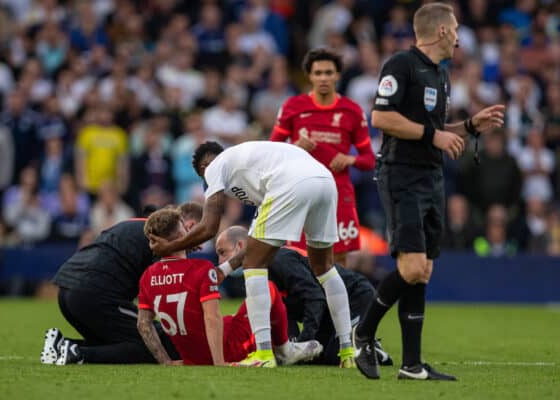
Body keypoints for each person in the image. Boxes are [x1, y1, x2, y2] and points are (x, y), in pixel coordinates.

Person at [354, 3, 505, 381]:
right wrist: (432, 135)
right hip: (401, 174)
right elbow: (382, 118)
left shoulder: (440, 75)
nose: (458, 35)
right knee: (412, 267)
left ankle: (412, 365)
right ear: (440, 31)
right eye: (454, 29)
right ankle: (363, 332)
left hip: (430, 176)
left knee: (423, 271)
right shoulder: (401, 64)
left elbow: (436, 130)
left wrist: (469, 126)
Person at [148, 140, 355, 368]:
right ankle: (347, 351)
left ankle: (264, 354)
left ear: (205, 168)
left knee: (254, 267)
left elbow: (209, 227)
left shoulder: (216, 166)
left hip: (291, 183)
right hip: (325, 181)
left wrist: (168, 248)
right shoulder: (252, 168)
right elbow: (254, 245)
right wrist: (225, 269)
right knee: (325, 269)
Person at [137, 209, 322, 366]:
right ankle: (284, 351)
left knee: (229, 318)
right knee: (268, 287)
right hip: (226, 350)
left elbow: (143, 324)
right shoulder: (201, 269)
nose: (190, 231)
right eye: (185, 229)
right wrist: (219, 364)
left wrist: (166, 362)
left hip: (192, 358)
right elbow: (212, 318)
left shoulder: (148, 276)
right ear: (179, 238)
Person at [40, 202, 202, 365]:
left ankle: (62, 345)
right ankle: (78, 352)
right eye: (201, 237)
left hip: (67, 292)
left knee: (117, 341)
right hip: (93, 294)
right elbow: (172, 293)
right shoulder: (161, 238)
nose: (200, 247)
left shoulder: (136, 224)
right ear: (191, 225)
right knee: (148, 343)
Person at [215, 225, 393, 366]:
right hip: (326, 310)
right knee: (318, 357)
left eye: (222, 253)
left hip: (354, 297)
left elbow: (314, 296)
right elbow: (282, 314)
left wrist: (304, 341)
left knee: (331, 355)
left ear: (240, 246)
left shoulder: (278, 258)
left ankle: (370, 348)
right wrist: (289, 345)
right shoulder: (255, 273)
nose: (220, 262)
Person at [270, 48, 375, 267]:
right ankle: (307, 301)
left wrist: (350, 159)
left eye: (329, 72)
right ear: (310, 76)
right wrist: (295, 146)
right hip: (302, 191)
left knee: (339, 258)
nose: (324, 78)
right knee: (300, 256)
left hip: (339, 192)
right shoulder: (293, 107)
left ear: (337, 75)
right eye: (318, 73)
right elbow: (271, 152)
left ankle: (334, 303)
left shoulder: (352, 111)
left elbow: (370, 160)